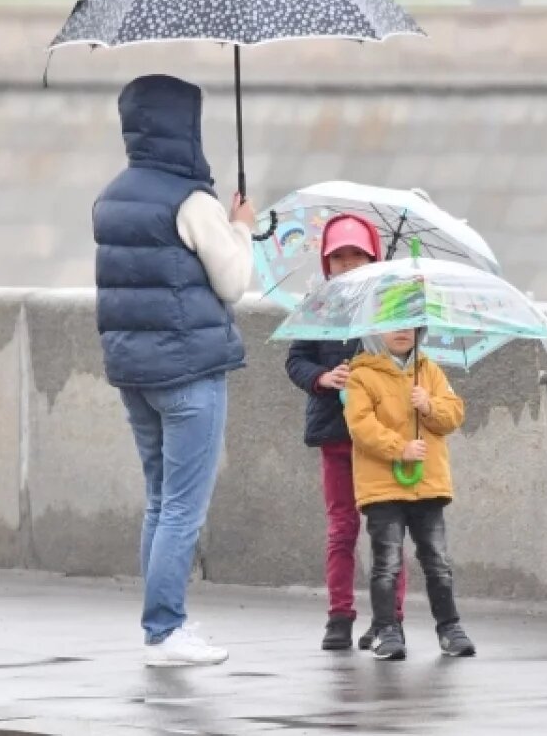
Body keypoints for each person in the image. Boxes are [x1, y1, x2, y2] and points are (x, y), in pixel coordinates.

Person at [94, 74, 256, 667]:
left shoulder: (112, 195)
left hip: (134, 371)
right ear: (182, 128)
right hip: (190, 372)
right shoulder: (193, 201)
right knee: (184, 505)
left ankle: (162, 625)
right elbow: (234, 282)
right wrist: (241, 226)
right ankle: (165, 630)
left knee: (161, 500)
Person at [284, 214, 409, 651]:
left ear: (374, 256)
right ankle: (339, 616)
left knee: (386, 529)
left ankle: (389, 618)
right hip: (336, 435)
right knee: (342, 528)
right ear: (327, 263)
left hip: (378, 438)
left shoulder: (393, 308)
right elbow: (296, 360)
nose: (350, 264)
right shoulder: (317, 307)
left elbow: (409, 362)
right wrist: (324, 377)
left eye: (358, 255)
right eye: (340, 257)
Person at [343, 328, 475, 661]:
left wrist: (429, 406)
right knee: (386, 563)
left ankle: (449, 628)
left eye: (410, 325)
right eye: (393, 324)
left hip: (427, 485)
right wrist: (399, 448)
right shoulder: (362, 375)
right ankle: (387, 629)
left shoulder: (429, 370)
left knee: (438, 561)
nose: (402, 332)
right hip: (383, 487)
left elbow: (454, 413)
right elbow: (360, 425)